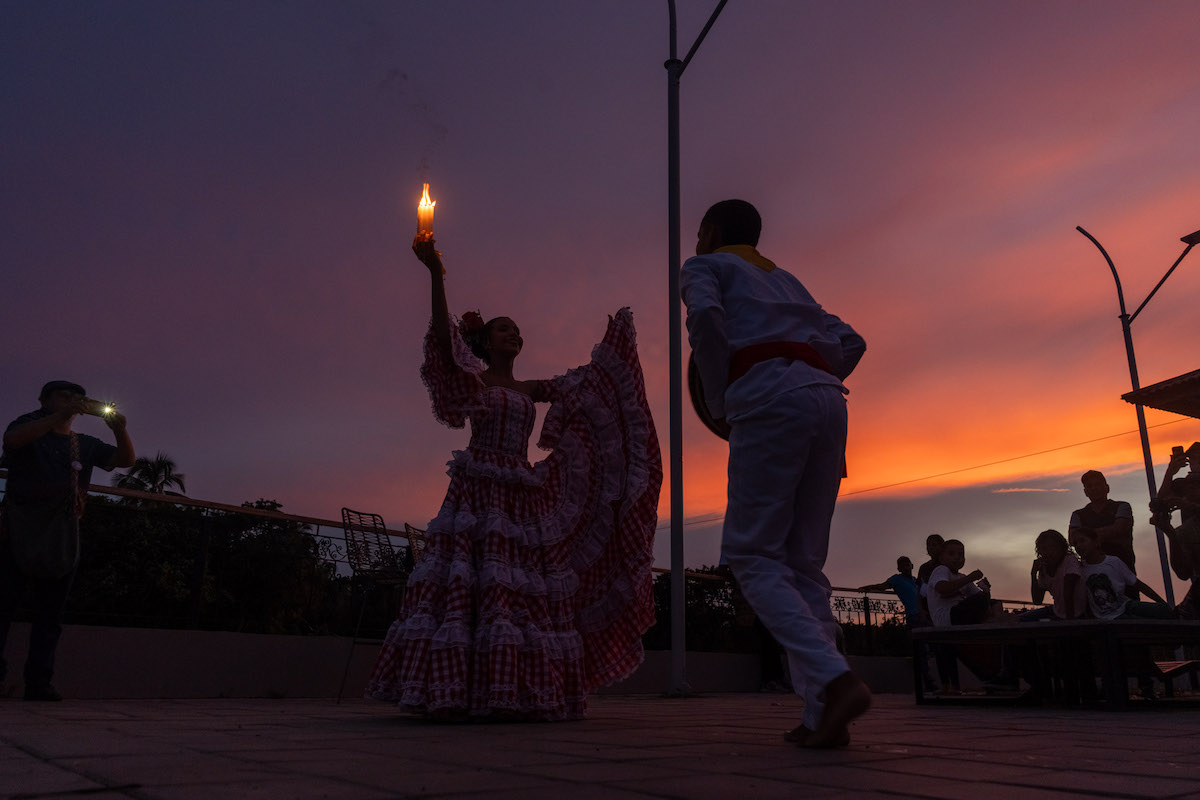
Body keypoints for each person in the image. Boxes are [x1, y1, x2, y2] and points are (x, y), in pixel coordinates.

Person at [365, 236, 662, 721]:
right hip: (478, 486)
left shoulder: (528, 388)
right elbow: (444, 340)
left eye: (518, 331)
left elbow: (586, 389)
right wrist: (436, 273)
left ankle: (512, 691)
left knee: (518, 589)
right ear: (485, 342)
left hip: (519, 492)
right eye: (505, 330)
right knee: (470, 579)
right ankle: (453, 690)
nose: (514, 335)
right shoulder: (474, 380)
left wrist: (616, 353)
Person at [680, 199, 869, 748]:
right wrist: (812, 370)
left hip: (768, 400)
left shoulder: (705, 267)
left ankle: (834, 683)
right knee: (804, 563)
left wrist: (719, 398)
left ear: (710, 232)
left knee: (752, 555)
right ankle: (820, 717)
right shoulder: (790, 282)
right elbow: (853, 340)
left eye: (698, 233)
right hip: (830, 402)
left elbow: (706, 320)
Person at [0, 380, 134, 700]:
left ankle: (39, 683)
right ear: (44, 399)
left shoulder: (83, 443)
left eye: (77, 397)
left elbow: (125, 460)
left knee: (51, 616)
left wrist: (119, 429)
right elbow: (13, 440)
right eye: (64, 395)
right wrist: (57, 417)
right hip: (17, 530)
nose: (73, 400)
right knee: (2, 606)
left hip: (62, 535)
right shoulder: (27, 424)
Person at [1069, 528, 1170, 619]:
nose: (1078, 546)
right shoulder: (1079, 569)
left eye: (1082, 541)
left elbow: (1138, 584)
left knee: (1163, 610)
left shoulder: (1113, 562)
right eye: (1075, 543)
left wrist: (1161, 602)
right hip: (1107, 618)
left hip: (1126, 607)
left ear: (1096, 542)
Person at [1149, 477, 1200, 618]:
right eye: (1187, 492)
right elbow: (1183, 572)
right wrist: (1171, 535)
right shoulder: (1185, 532)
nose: (1191, 495)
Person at [1068, 470, 1135, 576]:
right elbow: (1073, 539)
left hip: (1123, 571)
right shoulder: (1078, 514)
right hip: (1091, 574)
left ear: (1107, 488)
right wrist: (1109, 533)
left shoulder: (1122, 506)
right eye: (1089, 486)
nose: (1094, 488)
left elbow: (1120, 528)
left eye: (1098, 484)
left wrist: (1087, 536)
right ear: (1085, 492)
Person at [1020, 529, 1085, 622]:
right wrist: (1033, 574)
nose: (1049, 552)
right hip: (1057, 610)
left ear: (1062, 548)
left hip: (1076, 613)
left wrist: (1070, 623)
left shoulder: (1069, 561)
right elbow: (1037, 601)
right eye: (1044, 548)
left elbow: (1068, 594)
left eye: (1053, 547)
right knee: (1020, 619)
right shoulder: (1044, 569)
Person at [858, 556, 920, 625]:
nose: (906, 568)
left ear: (912, 566)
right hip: (913, 615)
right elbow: (882, 586)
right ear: (899, 569)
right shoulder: (896, 579)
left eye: (907, 565)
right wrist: (866, 588)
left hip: (925, 613)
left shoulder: (916, 580)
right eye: (902, 566)